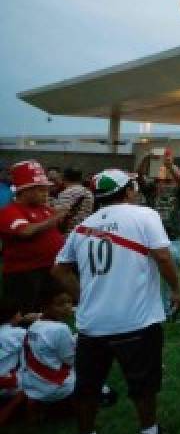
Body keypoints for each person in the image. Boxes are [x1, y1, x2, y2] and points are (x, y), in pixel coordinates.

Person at [51, 169, 180, 434]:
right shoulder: (144, 215)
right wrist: (175, 289)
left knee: (88, 385)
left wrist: (83, 296)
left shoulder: (82, 227)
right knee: (144, 382)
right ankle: (149, 432)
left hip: (92, 323)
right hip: (136, 319)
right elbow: (163, 255)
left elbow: (59, 269)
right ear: (129, 190)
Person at [0, 161, 68, 313]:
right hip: (25, 273)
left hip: (48, 268)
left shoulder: (43, 208)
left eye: (46, 189)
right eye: (40, 189)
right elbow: (25, 231)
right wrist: (55, 218)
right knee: (25, 314)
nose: (46, 193)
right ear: (24, 191)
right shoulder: (10, 211)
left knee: (48, 311)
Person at [138, 150, 180, 317]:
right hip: (150, 239)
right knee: (146, 275)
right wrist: (146, 157)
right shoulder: (151, 189)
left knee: (170, 276)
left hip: (173, 239)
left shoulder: (179, 192)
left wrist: (172, 167)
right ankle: (147, 309)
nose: (164, 182)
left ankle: (169, 309)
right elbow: (140, 176)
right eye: (162, 172)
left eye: (168, 178)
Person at [19, 284, 77, 408]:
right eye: (60, 304)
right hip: (57, 387)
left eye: (69, 302)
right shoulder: (61, 328)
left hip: (33, 386)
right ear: (45, 307)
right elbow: (71, 360)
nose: (67, 307)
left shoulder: (35, 325)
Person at [53, 168, 94, 235]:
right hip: (82, 231)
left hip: (68, 233)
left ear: (64, 178)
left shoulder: (67, 193)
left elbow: (59, 217)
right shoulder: (89, 193)